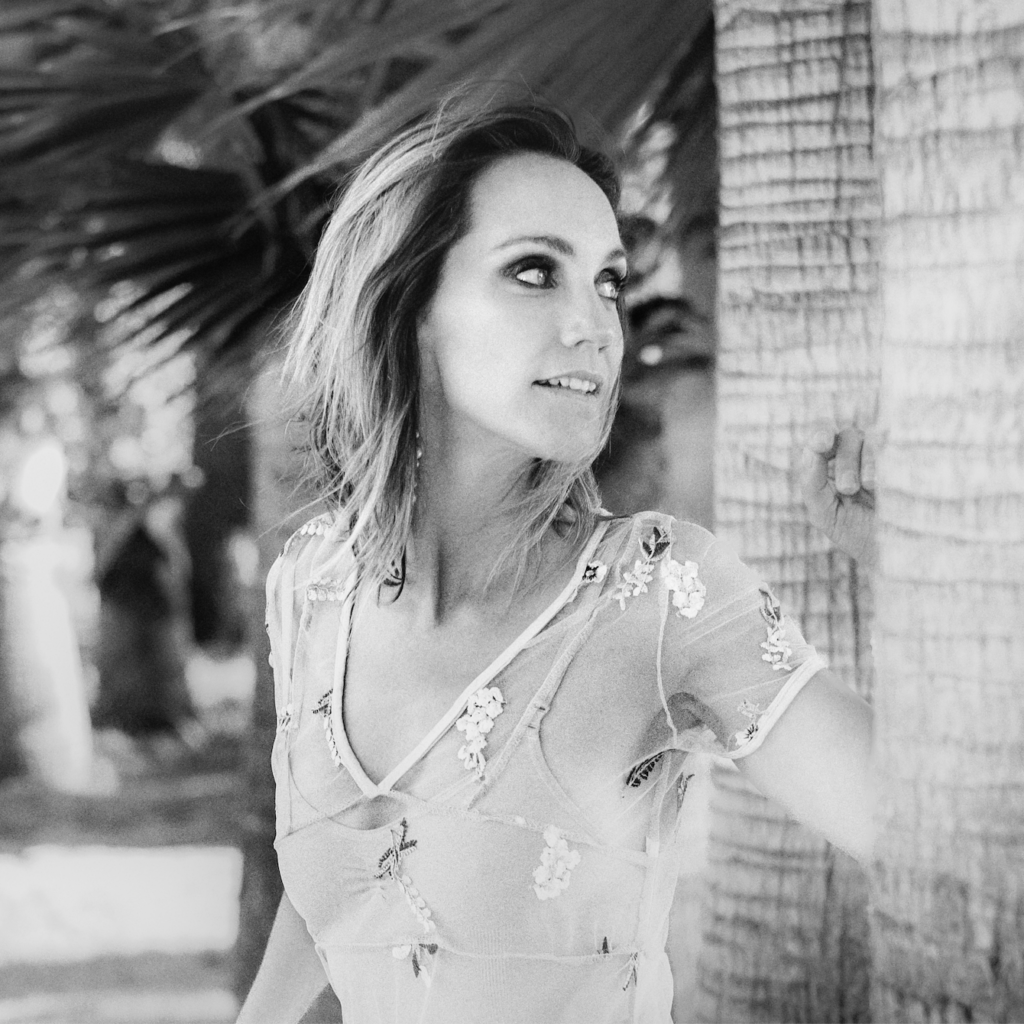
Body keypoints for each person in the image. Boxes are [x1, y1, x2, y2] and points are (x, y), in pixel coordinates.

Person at [238, 100, 875, 1024]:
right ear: (411, 306)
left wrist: (910, 570)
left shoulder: (662, 594)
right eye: (535, 271)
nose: (596, 326)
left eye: (608, 282)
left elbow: (918, 827)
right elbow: (338, 879)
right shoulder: (312, 586)